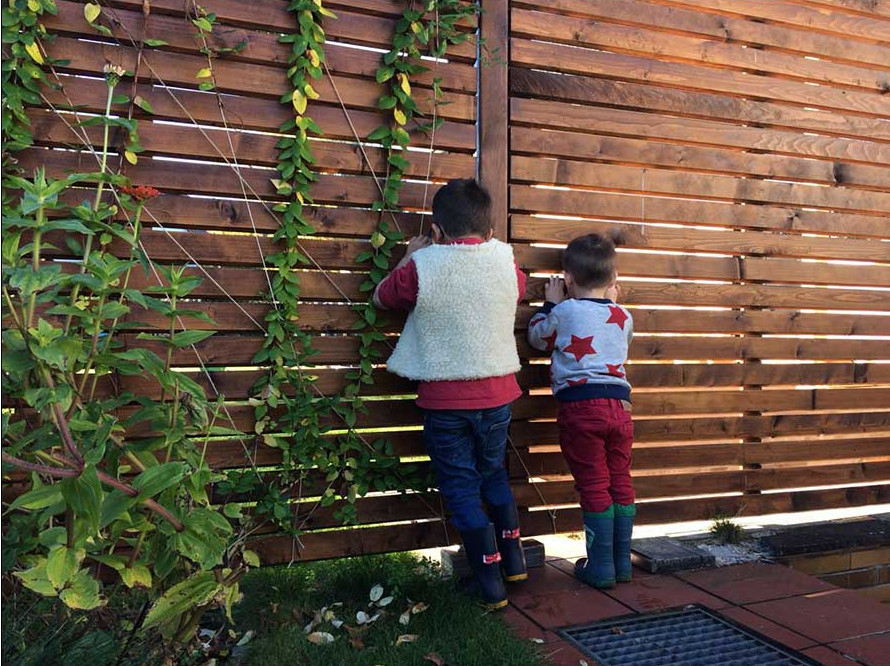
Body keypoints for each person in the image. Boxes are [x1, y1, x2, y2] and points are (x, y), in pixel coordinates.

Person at [374, 178, 527, 609]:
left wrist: (409, 255)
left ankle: (490, 582)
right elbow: (519, 288)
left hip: (445, 403)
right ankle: (513, 562)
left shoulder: (422, 267)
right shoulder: (503, 261)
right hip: (498, 395)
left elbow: (381, 298)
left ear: (436, 233)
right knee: (494, 474)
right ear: (491, 233)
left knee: (460, 486)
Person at [527, 232, 635, 588]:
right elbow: (616, 338)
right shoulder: (623, 315)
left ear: (568, 278)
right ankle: (622, 563)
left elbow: (538, 338)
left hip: (581, 407)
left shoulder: (564, 310)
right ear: (613, 281)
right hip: (620, 406)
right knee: (620, 478)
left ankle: (601, 567)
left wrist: (549, 304)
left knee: (593, 482)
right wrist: (610, 304)